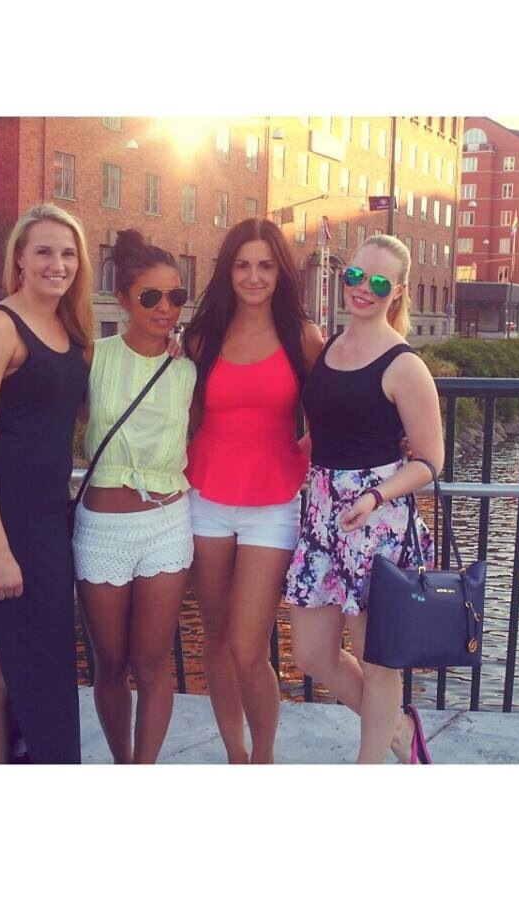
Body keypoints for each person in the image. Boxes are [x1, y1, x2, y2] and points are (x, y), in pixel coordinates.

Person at [0, 204, 93, 763]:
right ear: (21, 260)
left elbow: (74, 412)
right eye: (44, 251)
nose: (58, 264)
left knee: (43, 662)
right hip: (0, 523)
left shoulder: (72, 330)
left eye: (68, 253)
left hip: (48, 521)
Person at [284, 234, 443, 764]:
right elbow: (326, 430)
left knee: (378, 662)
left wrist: (376, 495)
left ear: (397, 291)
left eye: (378, 282)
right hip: (321, 515)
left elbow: (430, 461)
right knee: (311, 653)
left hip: (376, 522)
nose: (362, 289)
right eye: (355, 275)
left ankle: (370, 766)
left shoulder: (404, 365)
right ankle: (398, 728)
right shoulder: (328, 347)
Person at [184, 218, 325, 763]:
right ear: (227, 270)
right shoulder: (202, 337)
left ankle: (263, 758)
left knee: (248, 648)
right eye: (242, 265)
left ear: (281, 272)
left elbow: (332, 414)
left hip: (272, 505)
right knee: (216, 638)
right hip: (205, 499)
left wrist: (305, 454)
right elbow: (186, 416)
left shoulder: (302, 337)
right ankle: (235, 756)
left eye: (265, 265)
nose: (253, 276)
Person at [72, 230, 196, 764]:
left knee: (153, 662)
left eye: (176, 296)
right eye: (151, 297)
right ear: (122, 299)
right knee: (110, 663)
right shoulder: (91, 357)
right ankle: (122, 763)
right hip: (103, 527)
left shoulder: (189, 365)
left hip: (167, 524)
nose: (165, 308)